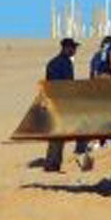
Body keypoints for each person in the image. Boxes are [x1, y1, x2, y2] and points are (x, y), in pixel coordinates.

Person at [40, 38, 84, 172]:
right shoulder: (65, 63)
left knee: (57, 134)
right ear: (67, 48)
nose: (75, 50)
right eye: (73, 48)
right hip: (63, 102)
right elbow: (68, 84)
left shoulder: (52, 63)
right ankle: (57, 162)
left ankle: (52, 163)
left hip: (53, 101)